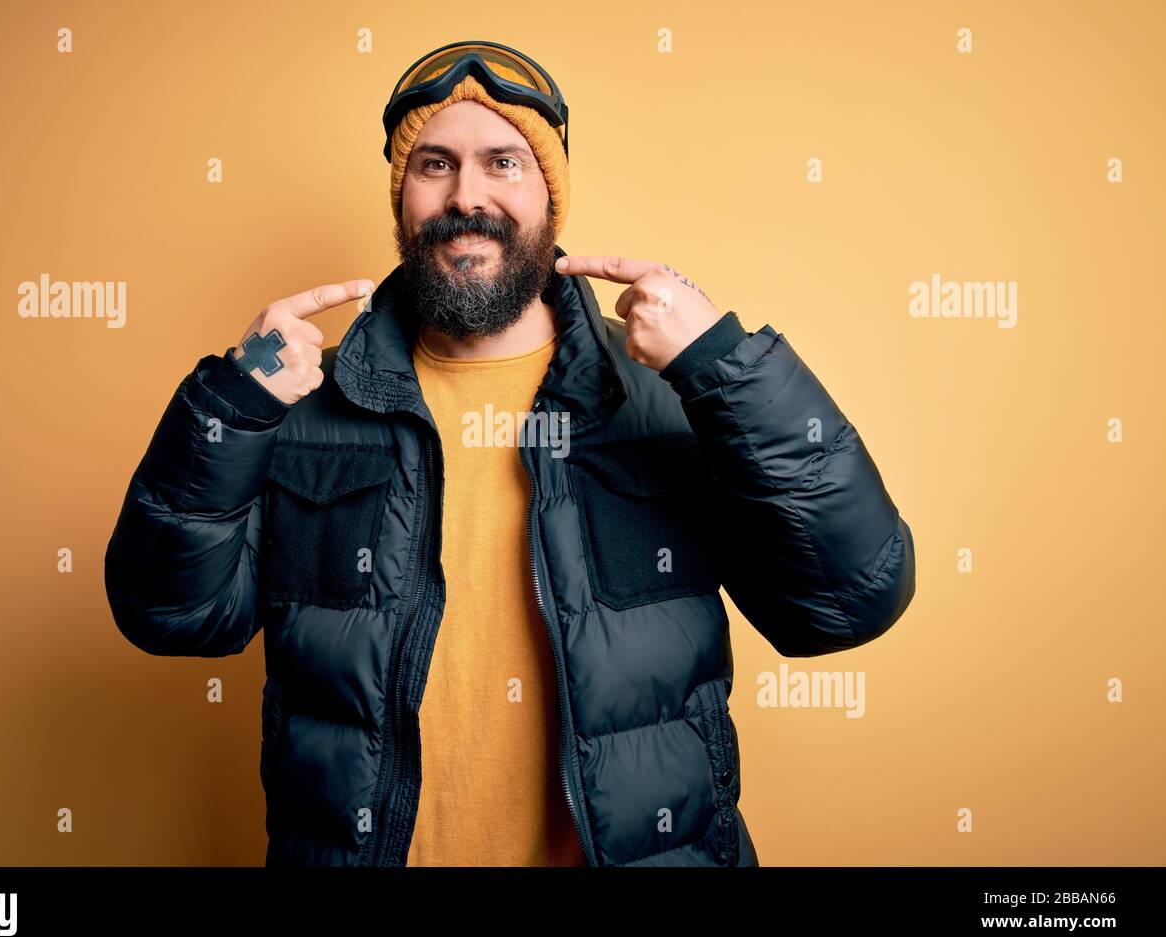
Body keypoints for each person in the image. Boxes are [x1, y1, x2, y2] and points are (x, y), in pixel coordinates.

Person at [103, 40, 916, 867]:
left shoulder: (674, 395)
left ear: (551, 196)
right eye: (434, 164)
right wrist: (231, 405)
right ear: (401, 194)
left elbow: (847, 602)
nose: (468, 196)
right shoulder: (302, 404)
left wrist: (723, 367)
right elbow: (175, 618)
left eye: (504, 163)